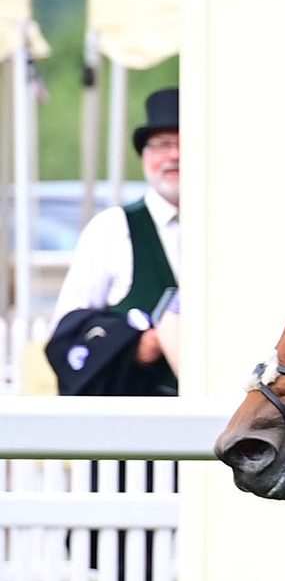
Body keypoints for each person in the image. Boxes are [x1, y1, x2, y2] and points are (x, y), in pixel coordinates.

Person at [45, 87, 182, 397]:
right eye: (162, 144)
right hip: (139, 413)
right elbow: (67, 332)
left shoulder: (227, 229)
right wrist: (133, 344)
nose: (174, 155)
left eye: (184, 143)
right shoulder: (113, 229)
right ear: (144, 156)